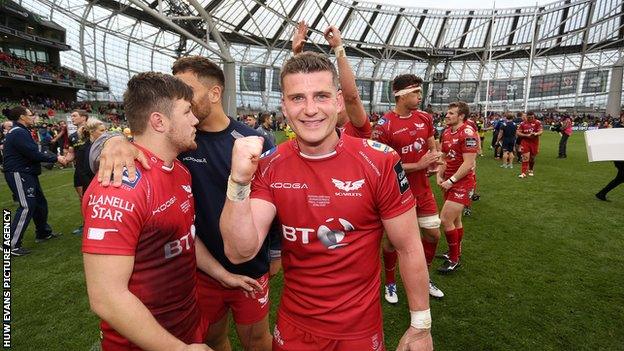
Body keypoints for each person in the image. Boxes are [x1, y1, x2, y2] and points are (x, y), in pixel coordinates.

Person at [220, 52, 433, 351]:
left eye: (320, 96)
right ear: (284, 106)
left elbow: (409, 246)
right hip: (294, 329)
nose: (309, 110)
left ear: (337, 101)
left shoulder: (379, 160)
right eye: (297, 98)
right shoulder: (269, 165)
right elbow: (239, 251)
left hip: (359, 332)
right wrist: (239, 182)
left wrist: (421, 326)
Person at [92, 56, 278, 351]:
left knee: (256, 340)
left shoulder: (245, 143)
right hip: (192, 283)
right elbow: (106, 295)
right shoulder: (165, 153)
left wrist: (272, 254)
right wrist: (111, 141)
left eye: (189, 93)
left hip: (242, 269)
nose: (190, 113)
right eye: (184, 106)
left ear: (215, 94)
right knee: (213, 337)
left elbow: (272, 199)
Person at [82, 72, 210, 351]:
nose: (195, 119)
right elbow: (106, 297)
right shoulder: (118, 187)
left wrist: (224, 275)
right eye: (187, 111)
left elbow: (184, 237)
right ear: (158, 121)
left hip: (185, 326)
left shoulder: (180, 170)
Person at [372, 73, 445, 302]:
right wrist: (418, 165)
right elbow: (382, 167)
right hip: (398, 192)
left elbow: (431, 146)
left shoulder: (425, 118)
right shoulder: (384, 125)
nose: (419, 96)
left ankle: (425, 276)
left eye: (419, 92)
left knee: (433, 234)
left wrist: (434, 162)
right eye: (415, 92)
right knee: (393, 241)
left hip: (423, 189)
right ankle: (391, 282)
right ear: (401, 95)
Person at [2, 106, 72, 256]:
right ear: (22, 117)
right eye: (31, 114)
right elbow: (33, 153)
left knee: (39, 203)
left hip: (27, 172)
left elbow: (37, 150)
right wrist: (57, 158)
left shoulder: (22, 131)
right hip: (19, 172)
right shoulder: (18, 132)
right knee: (27, 206)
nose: (33, 116)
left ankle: (43, 232)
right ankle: (11, 245)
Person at [292, 22, 371, 139]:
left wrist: (338, 47)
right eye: (324, 97)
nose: (336, 101)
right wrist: (297, 54)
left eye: (340, 96)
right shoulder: (322, 127)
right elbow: (306, 87)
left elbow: (351, 97)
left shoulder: (358, 127)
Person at [436, 101, 478, 273]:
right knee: (455, 220)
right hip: (450, 181)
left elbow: (469, 164)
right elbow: (445, 157)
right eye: (447, 112)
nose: (447, 115)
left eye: (451, 113)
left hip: (462, 182)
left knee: (445, 219)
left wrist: (451, 180)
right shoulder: (446, 132)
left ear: (461, 116)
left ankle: (454, 259)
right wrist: (439, 174)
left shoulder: (468, 134)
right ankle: (455, 252)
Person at [69, 109, 92, 235]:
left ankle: (96, 222)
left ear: (83, 117)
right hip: (79, 171)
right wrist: (59, 159)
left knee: (94, 198)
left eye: (74, 116)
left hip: (92, 170)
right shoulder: (72, 136)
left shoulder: (92, 131)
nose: (72, 118)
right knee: (82, 199)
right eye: (71, 116)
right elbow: (71, 154)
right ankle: (86, 224)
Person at [595, 113, 624, 201]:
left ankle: (601, 193)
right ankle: (601, 193)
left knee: (619, 179)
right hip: (620, 157)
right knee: (620, 178)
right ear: (621, 118)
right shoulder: (618, 127)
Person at [516, 111, 543, 178]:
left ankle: (531, 169)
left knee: (532, 158)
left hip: (534, 143)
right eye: (529, 117)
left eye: (532, 117)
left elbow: (541, 131)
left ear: (534, 116)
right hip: (525, 142)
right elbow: (518, 132)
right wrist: (526, 135)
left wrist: (536, 134)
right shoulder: (522, 123)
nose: (530, 118)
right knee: (525, 157)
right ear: (527, 117)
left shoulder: (537, 122)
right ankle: (523, 173)